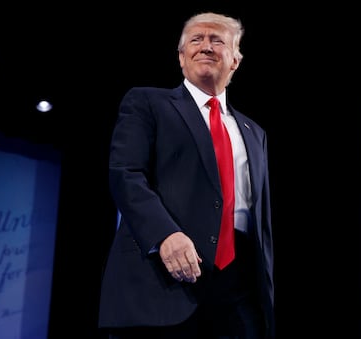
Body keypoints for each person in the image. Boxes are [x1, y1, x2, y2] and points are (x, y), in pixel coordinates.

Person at [98, 11, 275, 339]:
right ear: (181, 57)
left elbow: (257, 220)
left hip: (238, 298)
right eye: (196, 39)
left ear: (235, 60)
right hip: (162, 282)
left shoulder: (255, 132)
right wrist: (165, 235)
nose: (206, 46)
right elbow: (126, 174)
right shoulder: (147, 102)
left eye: (217, 40)